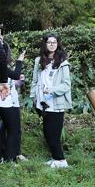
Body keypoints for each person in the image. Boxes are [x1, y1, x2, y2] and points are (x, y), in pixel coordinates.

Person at [30, 33, 72, 168]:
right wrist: (33, 97)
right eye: (49, 42)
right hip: (43, 103)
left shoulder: (63, 62)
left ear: (57, 44)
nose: (52, 44)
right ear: (45, 44)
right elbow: (35, 81)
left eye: (54, 42)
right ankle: (55, 158)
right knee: (47, 132)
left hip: (56, 103)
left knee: (54, 134)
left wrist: (52, 89)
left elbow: (66, 85)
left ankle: (61, 161)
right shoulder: (39, 61)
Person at [0, 31, 26, 164]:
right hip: (5, 100)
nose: (1, 40)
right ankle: (9, 158)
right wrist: (20, 61)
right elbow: (15, 75)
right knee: (13, 130)